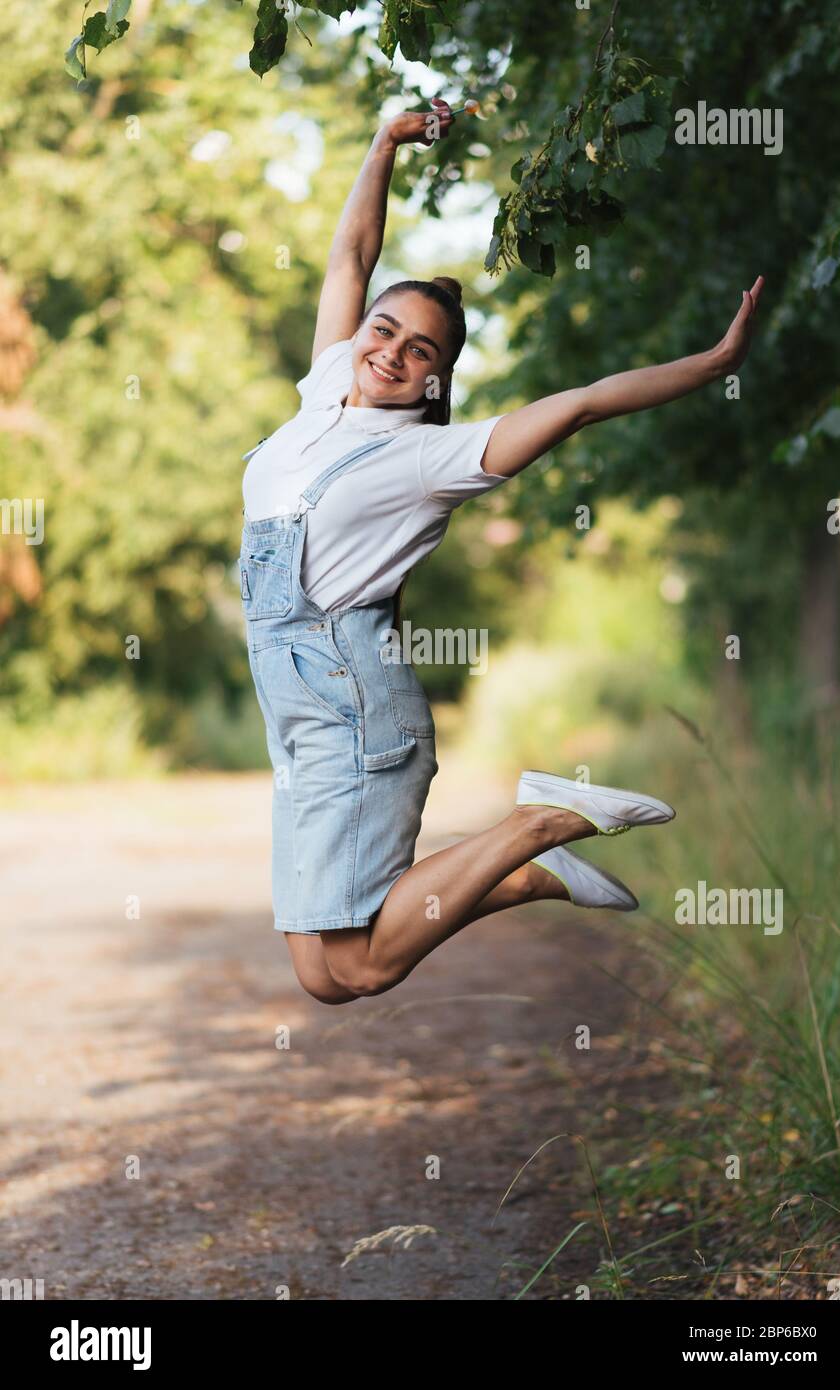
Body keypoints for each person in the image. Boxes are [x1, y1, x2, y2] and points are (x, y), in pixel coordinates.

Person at [238, 97, 764, 1006]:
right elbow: (351, 256)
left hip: (353, 705)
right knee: (321, 975)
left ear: (438, 378)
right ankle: (529, 875)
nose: (392, 352)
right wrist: (382, 144)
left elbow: (583, 401)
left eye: (420, 351)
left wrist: (711, 366)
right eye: (383, 330)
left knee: (358, 963)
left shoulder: (432, 457)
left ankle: (536, 823)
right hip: (295, 711)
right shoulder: (323, 390)